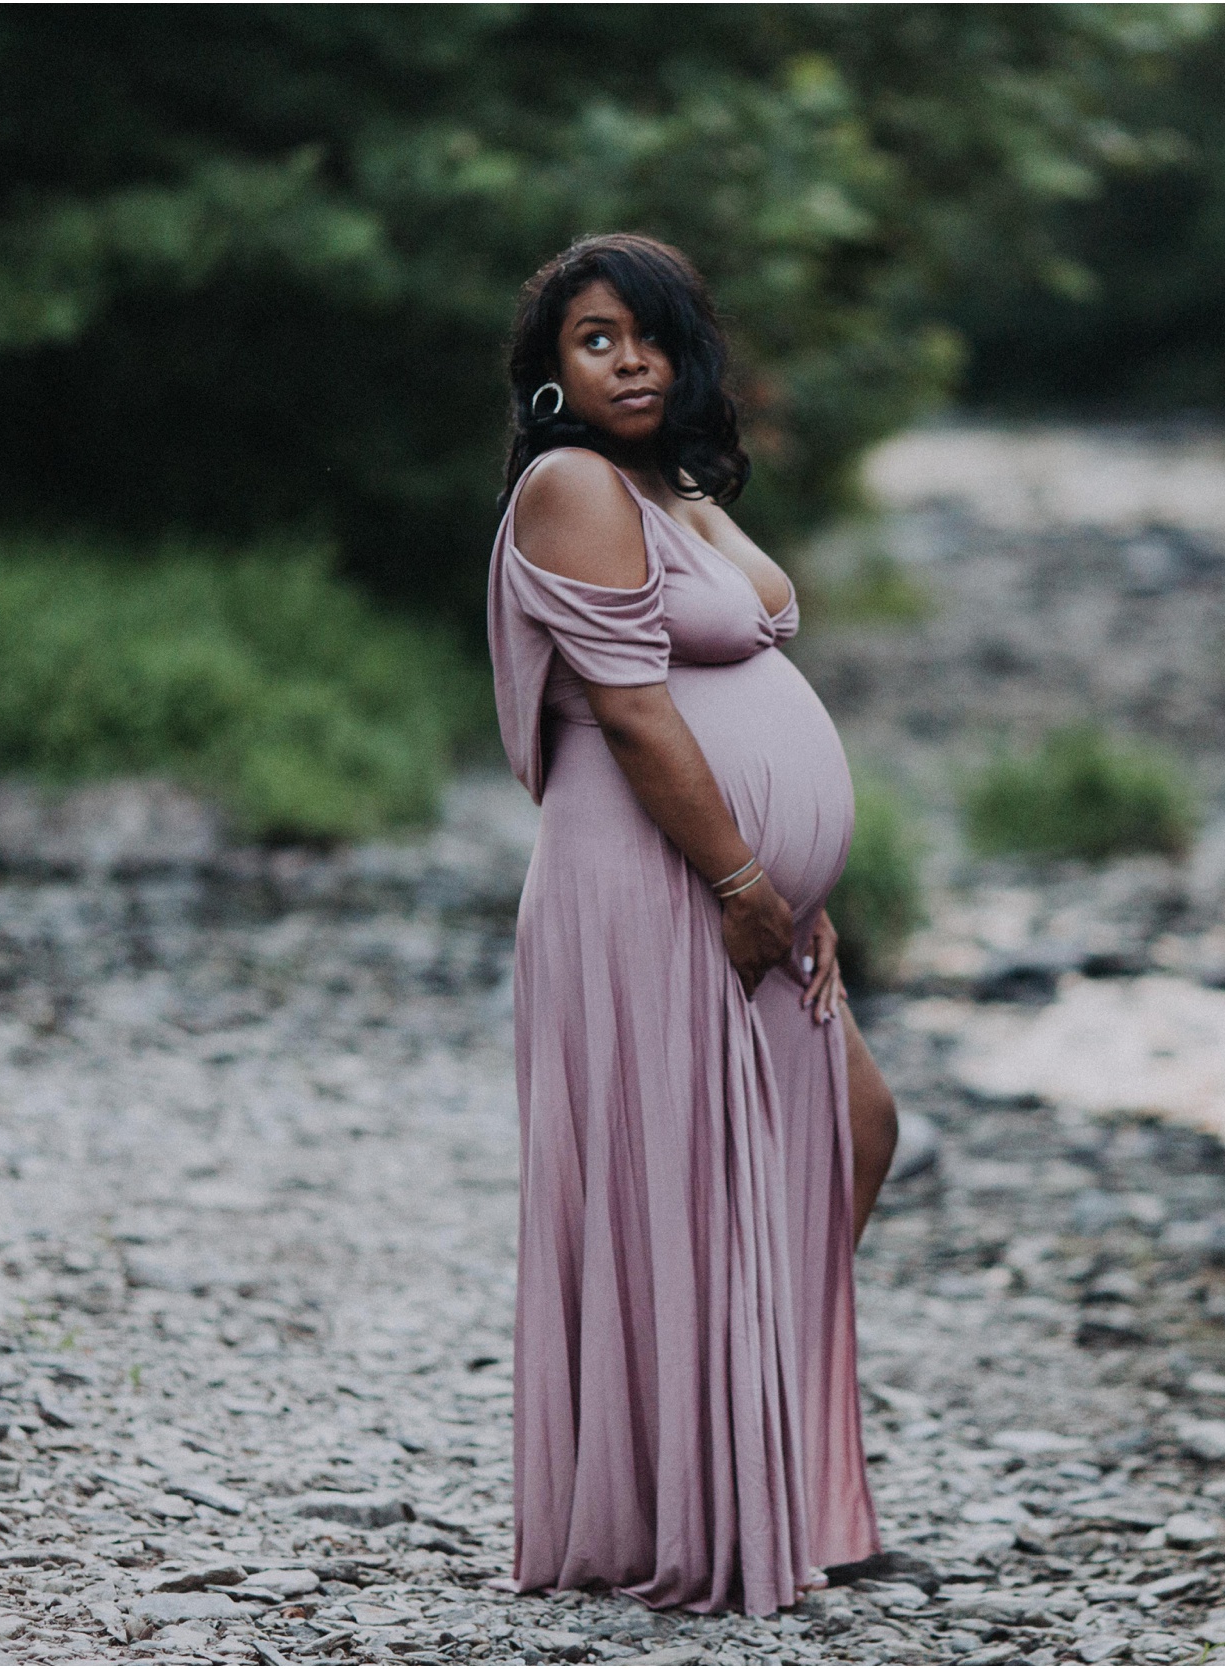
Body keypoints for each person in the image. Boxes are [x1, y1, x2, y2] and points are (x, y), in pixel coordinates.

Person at [486, 232, 901, 1617]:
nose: (630, 359)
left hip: (734, 877)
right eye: (595, 339)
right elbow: (635, 711)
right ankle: (696, 1495)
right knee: (700, 1174)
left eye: (651, 335)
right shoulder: (569, 486)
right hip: (651, 877)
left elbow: (748, 657)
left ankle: (747, 1456)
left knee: (847, 1131)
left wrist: (805, 883)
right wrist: (740, 881)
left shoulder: (664, 485)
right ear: (551, 370)